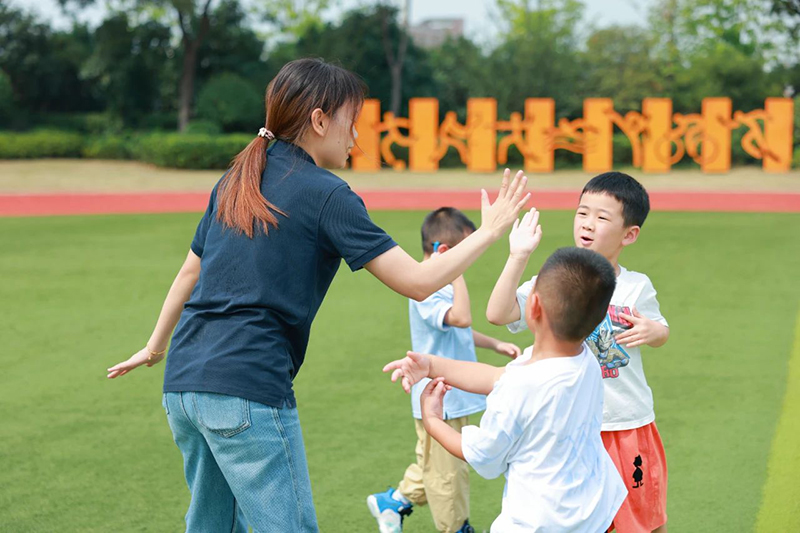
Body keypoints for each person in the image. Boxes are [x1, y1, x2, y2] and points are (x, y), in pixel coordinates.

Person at [106, 58, 530, 533]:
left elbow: (190, 272)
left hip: (183, 383)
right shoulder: (328, 194)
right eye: (352, 121)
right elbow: (416, 281)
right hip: (246, 384)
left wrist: (155, 348)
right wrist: (490, 231)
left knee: (213, 526)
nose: (356, 136)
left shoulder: (234, 180)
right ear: (319, 120)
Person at [384, 247, 627, 532]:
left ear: (533, 306)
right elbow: (499, 377)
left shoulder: (522, 385)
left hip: (538, 523)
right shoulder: (584, 360)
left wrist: (433, 420)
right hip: (591, 511)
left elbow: (482, 453)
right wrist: (432, 365)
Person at [486, 172, 670, 532]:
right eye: (582, 212)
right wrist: (518, 255)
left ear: (629, 234)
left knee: (641, 519)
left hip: (625, 424)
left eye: (602, 217)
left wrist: (654, 331)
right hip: (569, 428)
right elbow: (498, 313)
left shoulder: (636, 286)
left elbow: (661, 330)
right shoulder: (555, 279)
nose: (587, 223)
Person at [367, 208, 521, 533]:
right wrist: (456, 273)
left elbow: (458, 330)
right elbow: (461, 318)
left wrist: (495, 344)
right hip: (440, 398)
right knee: (447, 473)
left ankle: (393, 501)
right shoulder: (426, 287)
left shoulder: (439, 282)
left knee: (435, 462)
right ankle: (456, 527)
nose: (470, 260)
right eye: (466, 252)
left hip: (453, 393)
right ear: (445, 251)